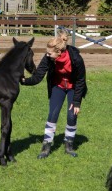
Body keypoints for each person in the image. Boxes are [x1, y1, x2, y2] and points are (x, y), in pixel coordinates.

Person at [21, 30, 87, 159]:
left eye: (49, 53)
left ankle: (69, 145)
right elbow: (38, 75)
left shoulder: (76, 58)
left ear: (59, 52)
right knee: (52, 115)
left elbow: (81, 80)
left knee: (71, 116)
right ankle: (46, 147)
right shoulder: (48, 58)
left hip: (74, 88)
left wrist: (77, 102)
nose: (47, 54)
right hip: (58, 87)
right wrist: (24, 81)